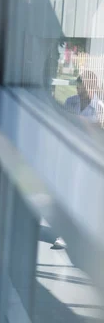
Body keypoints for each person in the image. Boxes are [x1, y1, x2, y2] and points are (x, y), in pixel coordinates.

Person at [52, 70, 103, 250]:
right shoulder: (69, 102)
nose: (80, 91)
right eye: (79, 87)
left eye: (85, 88)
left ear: (93, 88)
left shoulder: (100, 108)